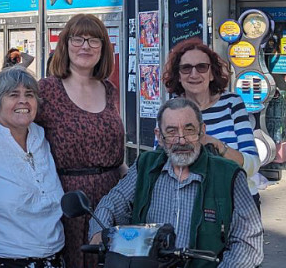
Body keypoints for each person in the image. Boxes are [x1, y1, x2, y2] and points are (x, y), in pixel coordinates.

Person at [89, 98, 263, 268]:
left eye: (189, 130)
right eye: (171, 131)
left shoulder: (228, 174)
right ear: (160, 136)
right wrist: (98, 232)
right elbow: (114, 201)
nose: (181, 140)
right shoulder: (146, 165)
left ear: (202, 131)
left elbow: (248, 242)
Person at [36, 14, 125, 268]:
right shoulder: (47, 90)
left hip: (111, 199)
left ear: (103, 48)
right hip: (67, 202)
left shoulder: (109, 90)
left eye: (94, 40)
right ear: (65, 44)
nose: (85, 46)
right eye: (78, 39)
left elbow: (117, 157)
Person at [0, 66, 65, 268]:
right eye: (13, 95)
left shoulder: (42, 136)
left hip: (55, 257)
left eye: (29, 94)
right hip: (8, 259)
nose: (23, 101)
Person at [163, 38, 260, 203]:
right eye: (186, 68)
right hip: (188, 203)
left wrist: (215, 144)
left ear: (212, 73)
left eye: (202, 67)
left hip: (237, 200)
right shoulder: (170, 110)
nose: (194, 74)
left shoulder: (232, 104)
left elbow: (253, 165)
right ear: (178, 76)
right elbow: (161, 164)